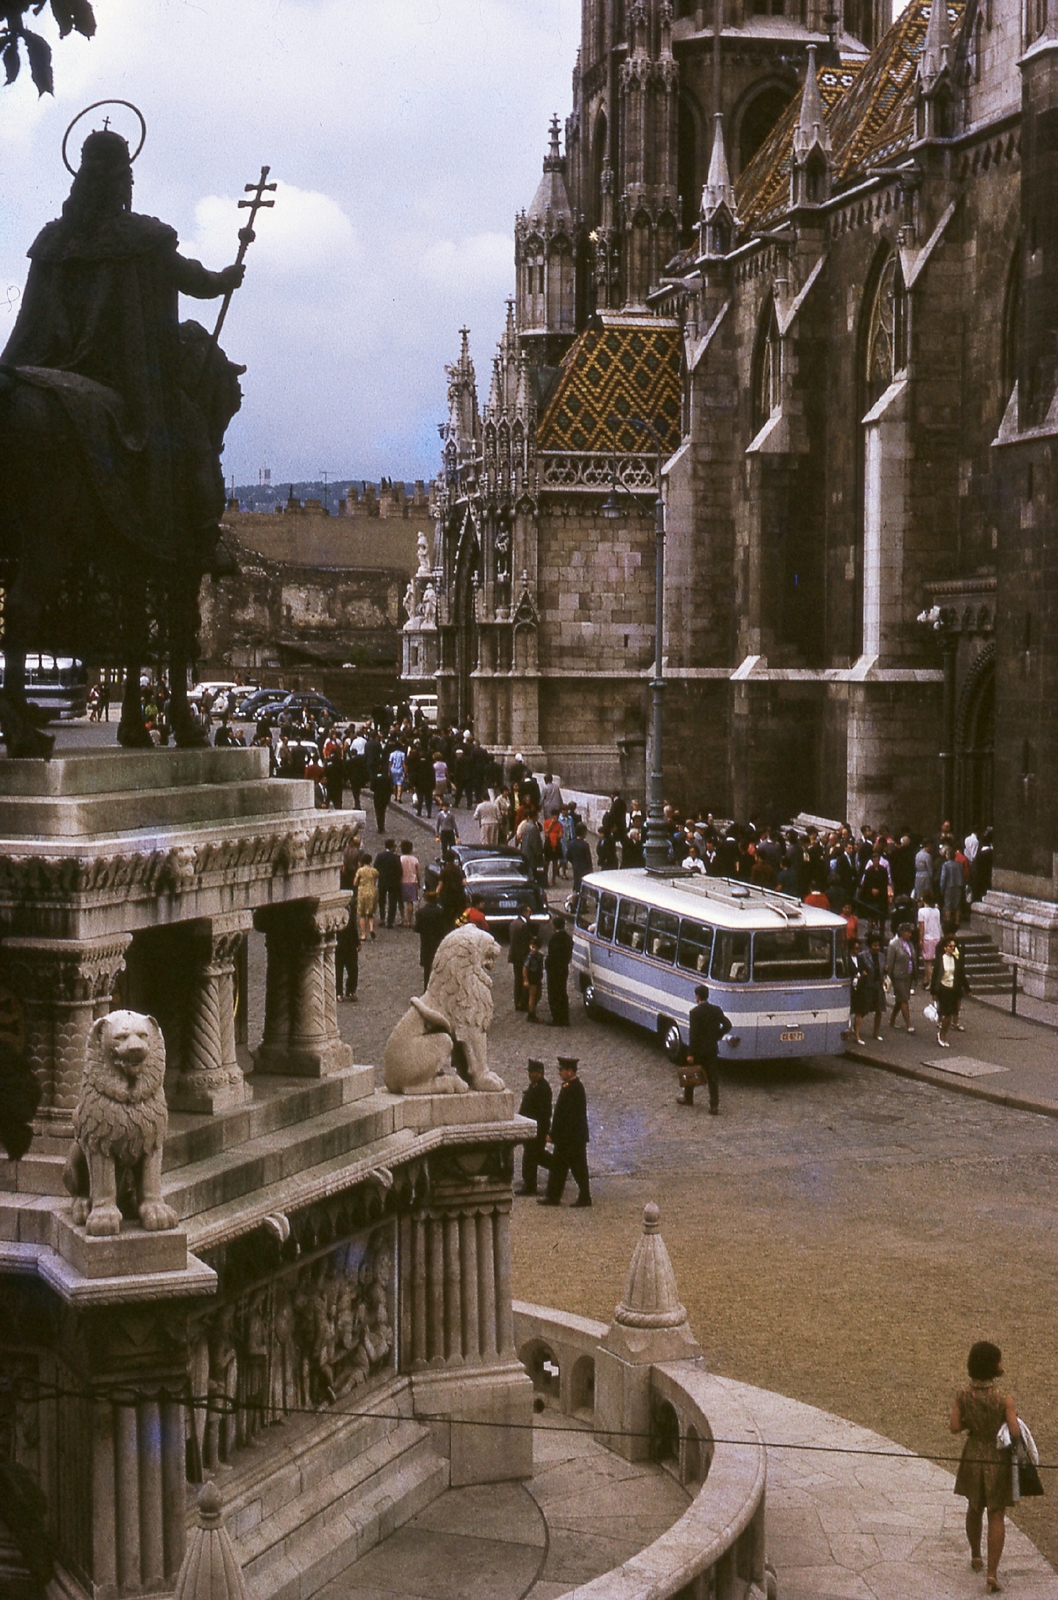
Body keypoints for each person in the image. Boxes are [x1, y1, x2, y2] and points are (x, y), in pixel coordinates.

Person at [949, 1341, 1021, 1592]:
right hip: (996, 1458)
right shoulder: (1004, 1398)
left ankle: (976, 1554)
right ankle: (992, 1573)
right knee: (996, 1514)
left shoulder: (962, 1395)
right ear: (992, 1366)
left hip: (973, 1455)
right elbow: (1014, 1431)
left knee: (974, 1506)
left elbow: (955, 1427)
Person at [539, 1057, 591, 1207]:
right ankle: (553, 1196)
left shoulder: (575, 1088)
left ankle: (584, 1196)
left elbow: (566, 1116)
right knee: (558, 1168)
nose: (560, 1073)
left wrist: (554, 1134)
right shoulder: (570, 1087)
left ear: (570, 1071)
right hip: (568, 1138)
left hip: (572, 1139)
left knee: (578, 1168)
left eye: (562, 1070)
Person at [681, 984, 732, 1112]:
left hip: (698, 1050)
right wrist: (717, 1035)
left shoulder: (695, 1013)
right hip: (711, 1049)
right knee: (713, 1078)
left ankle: (688, 1098)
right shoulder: (716, 1010)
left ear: (697, 996)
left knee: (691, 1073)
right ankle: (714, 1105)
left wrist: (690, 1053)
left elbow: (693, 1035)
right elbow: (727, 1025)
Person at [516, 1060, 553, 1196]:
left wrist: (542, 1131)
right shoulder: (535, 1086)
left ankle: (530, 1185)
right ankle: (557, 1167)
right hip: (531, 1127)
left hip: (537, 1129)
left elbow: (544, 1113)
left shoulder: (543, 1088)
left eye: (532, 1072)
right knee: (534, 1155)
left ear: (539, 1073)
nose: (529, 1075)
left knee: (533, 1156)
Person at [931, 934, 971, 1047]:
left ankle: (944, 1033)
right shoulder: (940, 960)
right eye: (950, 946)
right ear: (945, 948)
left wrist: (968, 989)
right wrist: (933, 992)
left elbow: (961, 975)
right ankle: (942, 1035)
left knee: (951, 1013)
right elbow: (935, 976)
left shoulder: (956, 960)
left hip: (953, 989)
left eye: (954, 946)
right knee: (947, 1014)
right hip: (943, 989)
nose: (952, 948)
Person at [852, 933, 886, 1043]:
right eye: (874, 945)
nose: (877, 947)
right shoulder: (862, 956)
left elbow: (883, 970)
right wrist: (862, 972)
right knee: (862, 1011)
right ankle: (857, 1035)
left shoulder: (882, 956)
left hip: (878, 985)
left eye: (878, 945)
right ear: (870, 945)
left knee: (879, 1010)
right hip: (866, 986)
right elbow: (857, 967)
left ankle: (876, 1032)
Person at [885, 923, 916, 1033]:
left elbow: (912, 958)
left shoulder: (910, 944)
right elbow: (890, 962)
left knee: (900, 999)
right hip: (898, 976)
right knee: (904, 999)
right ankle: (909, 1024)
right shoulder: (894, 945)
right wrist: (889, 977)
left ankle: (892, 1020)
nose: (910, 934)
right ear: (902, 933)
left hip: (908, 975)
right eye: (908, 932)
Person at [414, 888, 447, 984]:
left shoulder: (421, 912)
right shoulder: (440, 912)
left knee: (427, 968)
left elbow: (417, 928)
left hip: (426, 942)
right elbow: (443, 928)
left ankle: (426, 987)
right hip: (437, 941)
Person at [545, 915, 573, 1026]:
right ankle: (564, 1017)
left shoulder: (554, 939)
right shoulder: (567, 938)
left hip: (554, 971)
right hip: (563, 969)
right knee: (562, 992)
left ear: (554, 926)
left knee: (554, 994)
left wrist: (548, 965)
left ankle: (557, 1018)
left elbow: (552, 956)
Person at [509, 905, 533, 1012]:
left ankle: (517, 1002)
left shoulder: (514, 923)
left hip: (514, 956)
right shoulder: (524, 926)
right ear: (524, 912)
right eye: (528, 911)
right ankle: (523, 1003)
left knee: (517, 980)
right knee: (524, 980)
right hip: (522, 957)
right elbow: (525, 943)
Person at [374, 839, 403, 930]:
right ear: (392, 847)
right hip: (393, 882)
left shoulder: (380, 856)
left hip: (382, 881)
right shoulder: (396, 857)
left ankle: (382, 918)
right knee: (392, 902)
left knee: (382, 900)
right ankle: (390, 921)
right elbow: (399, 870)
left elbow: (376, 867)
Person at [917, 892, 942, 990]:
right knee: (935, 961)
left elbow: (921, 927)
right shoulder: (937, 911)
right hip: (937, 936)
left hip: (928, 937)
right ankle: (927, 979)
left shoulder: (921, 911)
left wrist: (920, 939)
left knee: (927, 962)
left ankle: (931, 982)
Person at [335, 903, 359, 1003]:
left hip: (350, 945)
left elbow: (354, 928)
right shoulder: (335, 913)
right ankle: (338, 992)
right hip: (339, 945)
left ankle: (351, 990)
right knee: (338, 971)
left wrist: (357, 942)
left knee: (353, 969)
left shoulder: (350, 912)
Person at [353, 852, 379, 942]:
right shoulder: (374, 871)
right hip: (372, 891)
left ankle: (363, 934)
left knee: (362, 914)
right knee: (370, 913)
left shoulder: (360, 871)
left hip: (362, 892)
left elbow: (355, 882)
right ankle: (371, 928)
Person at [399, 840, 422, 928]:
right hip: (412, 882)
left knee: (400, 901)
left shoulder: (400, 859)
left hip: (402, 881)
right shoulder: (414, 859)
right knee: (410, 902)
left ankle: (402, 918)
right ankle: (409, 921)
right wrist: (419, 882)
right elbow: (418, 872)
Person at [523, 935, 544, 1023]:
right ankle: (531, 1014)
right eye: (532, 947)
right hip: (532, 977)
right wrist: (526, 980)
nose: (533, 949)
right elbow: (525, 968)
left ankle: (532, 1010)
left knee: (538, 995)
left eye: (535, 947)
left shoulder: (539, 956)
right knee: (532, 995)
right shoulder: (530, 957)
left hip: (537, 977)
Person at [567, 824, 593, 893]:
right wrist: (590, 869)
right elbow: (588, 859)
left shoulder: (571, 843)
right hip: (584, 868)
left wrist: (574, 862)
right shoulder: (585, 845)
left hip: (576, 866)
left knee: (576, 883)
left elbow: (568, 856)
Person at [370, 766, 393, 834]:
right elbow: (390, 789)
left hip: (377, 797)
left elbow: (372, 788)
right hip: (385, 797)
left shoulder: (374, 779)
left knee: (378, 812)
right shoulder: (387, 779)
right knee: (383, 812)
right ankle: (382, 826)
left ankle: (379, 826)